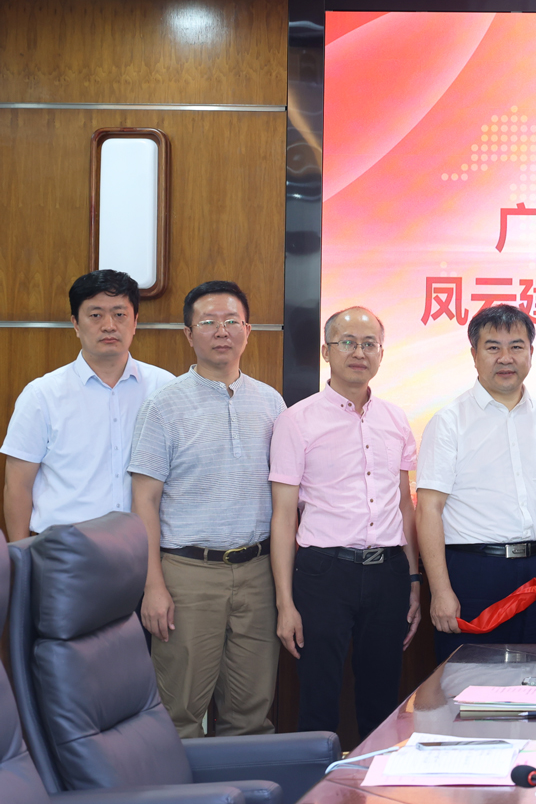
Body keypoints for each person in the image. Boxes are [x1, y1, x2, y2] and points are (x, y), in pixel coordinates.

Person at [129, 280, 285, 738]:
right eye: (209, 322)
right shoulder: (163, 405)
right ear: (188, 333)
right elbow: (144, 500)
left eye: (232, 321)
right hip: (187, 575)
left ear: (248, 331)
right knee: (178, 715)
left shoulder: (272, 403)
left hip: (257, 573)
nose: (222, 331)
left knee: (251, 716)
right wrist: (152, 586)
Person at [269, 306, 421, 740]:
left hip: (388, 572)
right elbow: (283, 516)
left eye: (369, 344)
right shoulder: (296, 420)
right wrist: (285, 603)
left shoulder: (395, 419)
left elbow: (404, 506)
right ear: (326, 351)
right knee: (318, 699)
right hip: (323, 574)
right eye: (347, 343)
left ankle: (375, 777)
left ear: (381, 353)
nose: (359, 352)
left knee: (383, 700)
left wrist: (413, 580)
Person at [415, 305, 536, 663]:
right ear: (474, 355)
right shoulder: (449, 422)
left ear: (530, 352)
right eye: (493, 347)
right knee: (468, 683)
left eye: (516, 346)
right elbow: (429, 509)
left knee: (535, 679)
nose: (506, 358)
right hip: (473, 574)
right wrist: (440, 590)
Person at [3, 270, 174, 540]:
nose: (109, 326)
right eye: (95, 315)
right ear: (75, 323)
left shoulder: (165, 388)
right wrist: (21, 557)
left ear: (135, 322)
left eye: (120, 314)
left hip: (144, 547)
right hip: (63, 549)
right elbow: (17, 485)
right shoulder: (42, 395)